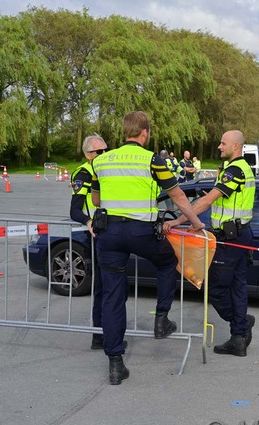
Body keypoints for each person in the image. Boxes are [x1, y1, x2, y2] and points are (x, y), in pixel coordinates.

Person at [91, 111, 206, 385]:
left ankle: (116, 363)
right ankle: (161, 319)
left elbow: (96, 200)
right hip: (141, 232)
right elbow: (178, 196)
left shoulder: (102, 160)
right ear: (144, 133)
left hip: (109, 234)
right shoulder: (153, 160)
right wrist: (196, 223)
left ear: (124, 133)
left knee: (112, 295)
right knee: (167, 262)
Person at [164, 130, 255, 357]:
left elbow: (206, 201)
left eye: (223, 143)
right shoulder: (238, 169)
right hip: (239, 234)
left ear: (235, 146)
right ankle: (239, 338)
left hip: (230, 238)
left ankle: (240, 325)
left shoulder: (234, 170)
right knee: (237, 287)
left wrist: (181, 220)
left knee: (214, 287)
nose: (218, 146)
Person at [70, 134, 108, 350]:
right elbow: (74, 210)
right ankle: (99, 336)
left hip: (114, 233)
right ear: (87, 155)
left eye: (105, 151)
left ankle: (109, 332)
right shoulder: (83, 173)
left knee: (115, 288)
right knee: (102, 287)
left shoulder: (108, 170)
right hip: (96, 235)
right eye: (98, 152)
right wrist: (88, 221)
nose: (103, 155)